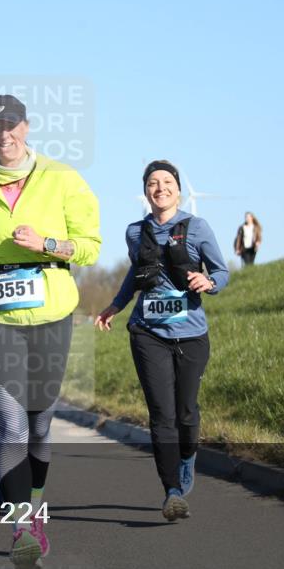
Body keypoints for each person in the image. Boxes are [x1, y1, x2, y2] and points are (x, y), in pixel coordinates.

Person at [0, 95, 101, 569]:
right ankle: (22, 527)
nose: (2, 134)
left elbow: (90, 247)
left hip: (52, 314)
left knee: (40, 426)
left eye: (10, 125)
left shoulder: (63, 178)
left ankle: (35, 507)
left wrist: (48, 244)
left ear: (26, 128)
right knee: (10, 425)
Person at [95, 161, 229, 522]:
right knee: (162, 414)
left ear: (178, 189)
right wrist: (115, 306)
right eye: (153, 183)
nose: (160, 188)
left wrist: (209, 283)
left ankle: (187, 457)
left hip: (192, 334)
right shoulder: (135, 232)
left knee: (186, 413)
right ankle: (171, 491)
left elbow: (221, 271)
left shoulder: (197, 227)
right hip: (147, 332)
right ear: (146, 191)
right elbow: (134, 275)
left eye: (167, 182)